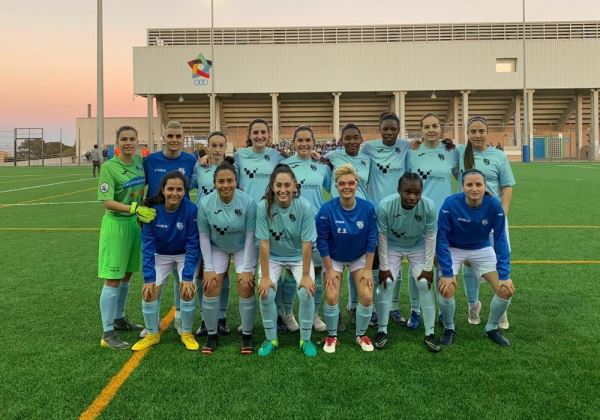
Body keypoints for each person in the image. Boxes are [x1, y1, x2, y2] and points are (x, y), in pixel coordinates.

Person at [436, 169, 515, 347]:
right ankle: (449, 327)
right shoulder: (450, 204)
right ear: (462, 187)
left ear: (485, 187)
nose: (474, 189)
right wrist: (447, 272)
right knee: (446, 287)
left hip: (482, 248)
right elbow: (441, 239)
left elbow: (501, 240)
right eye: (469, 184)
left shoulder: (494, 205)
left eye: (478, 184)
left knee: (505, 290)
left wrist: (504, 275)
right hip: (454, 248)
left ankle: (491, 328)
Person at [143, 121, 205, 336]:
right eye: (170, 135)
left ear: (183, 138)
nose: (174, 140)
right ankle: (152, 323)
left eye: (178, 136)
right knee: (153, 283)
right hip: (156, 218)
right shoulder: (150, 160)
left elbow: (201, 180)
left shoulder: (190, 160)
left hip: (182, 220)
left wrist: (208, 161)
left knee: (185, 282)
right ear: (164, 136)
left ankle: (181, 318)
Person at [97, 126, 154, 350]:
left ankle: (120, 319)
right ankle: (107, 332)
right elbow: (107, 202)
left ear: (137, 141)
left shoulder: (140, 162)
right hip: (116, 225)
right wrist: (133, 209)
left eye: (132, 139)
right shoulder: (109, 167)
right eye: (124, 139)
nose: (128, 142)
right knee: (113, 276)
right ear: (117, 142)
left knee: (127, 275)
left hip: (134, 225)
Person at [131, 171, 200, 351]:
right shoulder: (152, 210)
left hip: (184, 253)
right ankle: (152, 333)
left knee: (187, 290)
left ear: (185, 191)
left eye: (179, 189)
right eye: (170, 189)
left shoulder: (191, 210)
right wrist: (148, 278)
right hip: (160, 254)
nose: (174, 193)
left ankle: (186, 332)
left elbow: (193, 245)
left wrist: (187, 277)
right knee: (149, 292)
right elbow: (147, 245)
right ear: (163, 190)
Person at [255, 164, 318, 357]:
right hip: (273, 257)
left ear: (295, 186)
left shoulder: (304, 207)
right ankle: (271, 338)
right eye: (279, 185)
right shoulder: (263, 207)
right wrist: (265, 276)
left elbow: (307, 244)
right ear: (272, 186)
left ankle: (305, 339)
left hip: (298, 257)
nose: (283, 190)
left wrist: (306, 275)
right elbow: (264, 244)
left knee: (307, 292)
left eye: (287, 185)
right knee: (266, 293)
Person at [458, 116, 515, 329]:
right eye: (473, 131)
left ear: (487, 132)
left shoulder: (498, 156)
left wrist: (503, 212)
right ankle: (473, 305)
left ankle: (500, 310)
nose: (477, 135)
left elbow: (507, 185)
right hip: (467, 220)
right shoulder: (460, 153)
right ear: (468, 134)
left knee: (500, 260)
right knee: (469, 262)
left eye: (481, 131)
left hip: (494, 218)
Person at [198, 161, 258, 355]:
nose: (226, 185)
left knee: (246, 285)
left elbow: (250, 236)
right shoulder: (206, 203)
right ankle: (212, 334)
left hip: (242, 248)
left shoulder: (248, 202)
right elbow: (204, 237)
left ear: (236, 181)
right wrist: (208, 268)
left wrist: (247, 268)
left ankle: (247, 335)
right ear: (214, 183)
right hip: (218, 247)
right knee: (211, 284)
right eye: (221, 181)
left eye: (229, 181)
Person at [316, 164, 378, 353]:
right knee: (332, 295)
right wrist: (329, 269)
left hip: (358, 258)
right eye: (342, 183)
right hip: (334, 258)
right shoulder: (326, 210)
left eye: (351, 183)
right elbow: (322, 241)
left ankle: (361, 335)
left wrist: (368, 268)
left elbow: (372, 239)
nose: (347, 187)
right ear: (336, 186)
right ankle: (332, 335)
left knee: (367, 296)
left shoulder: (367, 208)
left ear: (357, 184)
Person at [376, 173, 439, 352]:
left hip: (417, 246)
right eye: (407, 192)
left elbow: (430, 237)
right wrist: (384, 266)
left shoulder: (429, 206)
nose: (412, 197)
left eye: (417, 193)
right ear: (399, 191)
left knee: (424, 284)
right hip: (393, 246)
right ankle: (382, 330)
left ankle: (430, 334)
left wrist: (428, 268)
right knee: (387, 282)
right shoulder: (386, 205)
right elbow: (381, 236)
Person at [407, 113, 459, 329]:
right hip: (418, 215)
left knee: (440, 264)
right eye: (426, 126)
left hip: (445, 217)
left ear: (441, 128)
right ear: (421, 129)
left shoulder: (451, 152)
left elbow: (462, 177)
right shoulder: (413, 152)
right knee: (416, 267)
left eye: (435, 126)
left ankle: (439, 308)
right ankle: (415, 310)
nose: (431, 130)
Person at [361, 113, 411, 328]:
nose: (389, 133)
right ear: (379, 129)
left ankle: (393, 307)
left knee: (395, 264)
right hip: (375, 213)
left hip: (398, 214)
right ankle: (369, 307)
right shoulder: (368, 148)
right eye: (385, 129)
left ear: (399, 130)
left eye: (393, 129)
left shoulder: (406, 147)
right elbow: (350, 155)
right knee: (371, 263)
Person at [282, 125, 332, 333]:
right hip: (291, 226)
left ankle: (313, 314)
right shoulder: (285, 166)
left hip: (317, 227)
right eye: (299, 140)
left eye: (307, 140)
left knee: (317, 273)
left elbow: (333, 190)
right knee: (290, 273)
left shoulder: (322, 167)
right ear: (293, 143)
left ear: (314, 143)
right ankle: (287, 314)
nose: (303, 144)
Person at [322, 123, 372, 331]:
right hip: (338, 218)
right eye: (347, 138)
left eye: (355, 137)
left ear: (361, 139)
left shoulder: (367, 159)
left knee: (359, 271)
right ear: (341, 140)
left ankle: (354, 307)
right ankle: (336, 315)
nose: (352, 141)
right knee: (333, 284)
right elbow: (326, 181)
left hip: (360, 217)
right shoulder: (331, 157)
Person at [191, 131, 233, 337]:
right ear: (207, 147)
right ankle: (205, 318)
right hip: (203, 226)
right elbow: (187, 185)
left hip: (225, 226)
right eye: (213, 145)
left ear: (226, 147)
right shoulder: (199, 166)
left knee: (223, 273)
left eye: (221, 145)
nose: (217, 149)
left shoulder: (233, 168)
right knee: (202, 273)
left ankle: (222, 317)